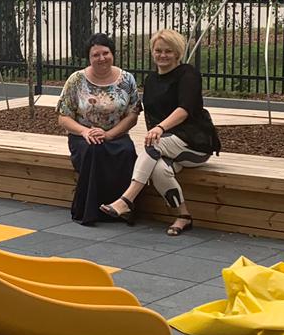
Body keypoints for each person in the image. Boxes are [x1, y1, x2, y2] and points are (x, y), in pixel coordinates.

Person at [99, 29, 219, 236]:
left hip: (194, 143)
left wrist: (160, 128)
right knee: (159, 170)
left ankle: (126, 200)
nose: (163, 55)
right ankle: (183, 216)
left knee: (153, 144)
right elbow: (146, 114)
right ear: (152, 52)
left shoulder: (188, 74)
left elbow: (184, 109)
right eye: (158, 50)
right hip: (166, 145)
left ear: (178, 53)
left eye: (168, 51)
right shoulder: (152, 80)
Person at [56, 33, 141, 225]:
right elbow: (63, 116)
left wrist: (109, 134)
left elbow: (133, 115)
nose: (101, 58)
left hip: (116, 134)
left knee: (127, 151)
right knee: (94, 150)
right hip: (83, 135)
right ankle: (91, 211)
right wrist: (85, 131)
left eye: (105, 53)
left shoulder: (127, 79)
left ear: (112, 54)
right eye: (96, 55)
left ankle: (122, 207)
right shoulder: (76, 80)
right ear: (89, 57)